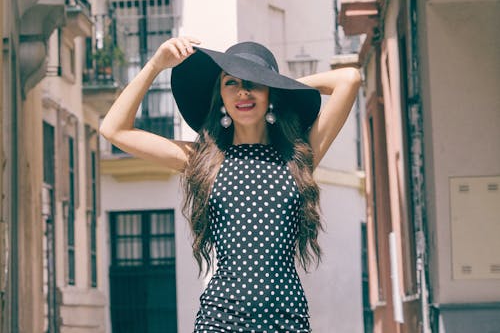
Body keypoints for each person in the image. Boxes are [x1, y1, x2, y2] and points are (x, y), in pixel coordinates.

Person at [100, 35, 361, 333]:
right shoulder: (203, 159)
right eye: (231, 83)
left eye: (253, 83)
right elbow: (114, 129)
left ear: (271, 93)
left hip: (287, 320)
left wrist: (279, 86)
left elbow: (349, 79)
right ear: (221, 97)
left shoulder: (298, 157)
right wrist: (156, 64)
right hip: (221, 319)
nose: (242, 93)